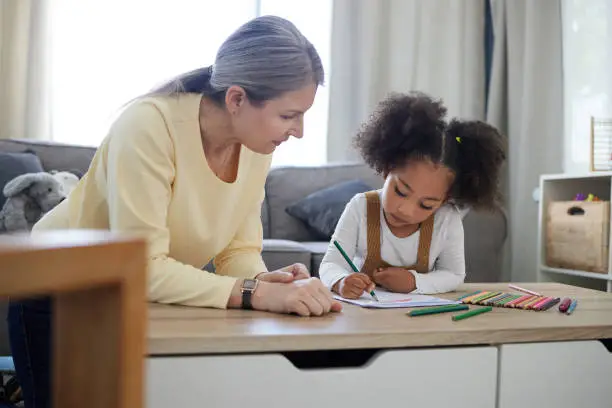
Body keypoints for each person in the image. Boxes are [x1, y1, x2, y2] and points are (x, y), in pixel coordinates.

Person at [7, 15, 342, 408]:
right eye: (289, 115)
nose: (299, 131)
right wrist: (256, 294)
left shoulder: (257, 144)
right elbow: (142, 265)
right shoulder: (149, 125)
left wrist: (268, 281)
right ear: (236, 99)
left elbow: (236, 250)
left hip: (129, 300)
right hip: (60, 291)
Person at [319, 91, 506, 299]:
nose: (406, 210)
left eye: (426, 205)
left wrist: (414, 282)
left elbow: (454, 274)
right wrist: (340, 281)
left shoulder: (446, 219)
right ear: (387, 169)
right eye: (400, 191)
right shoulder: (360, 207)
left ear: (445, 199)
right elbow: (331, 263)